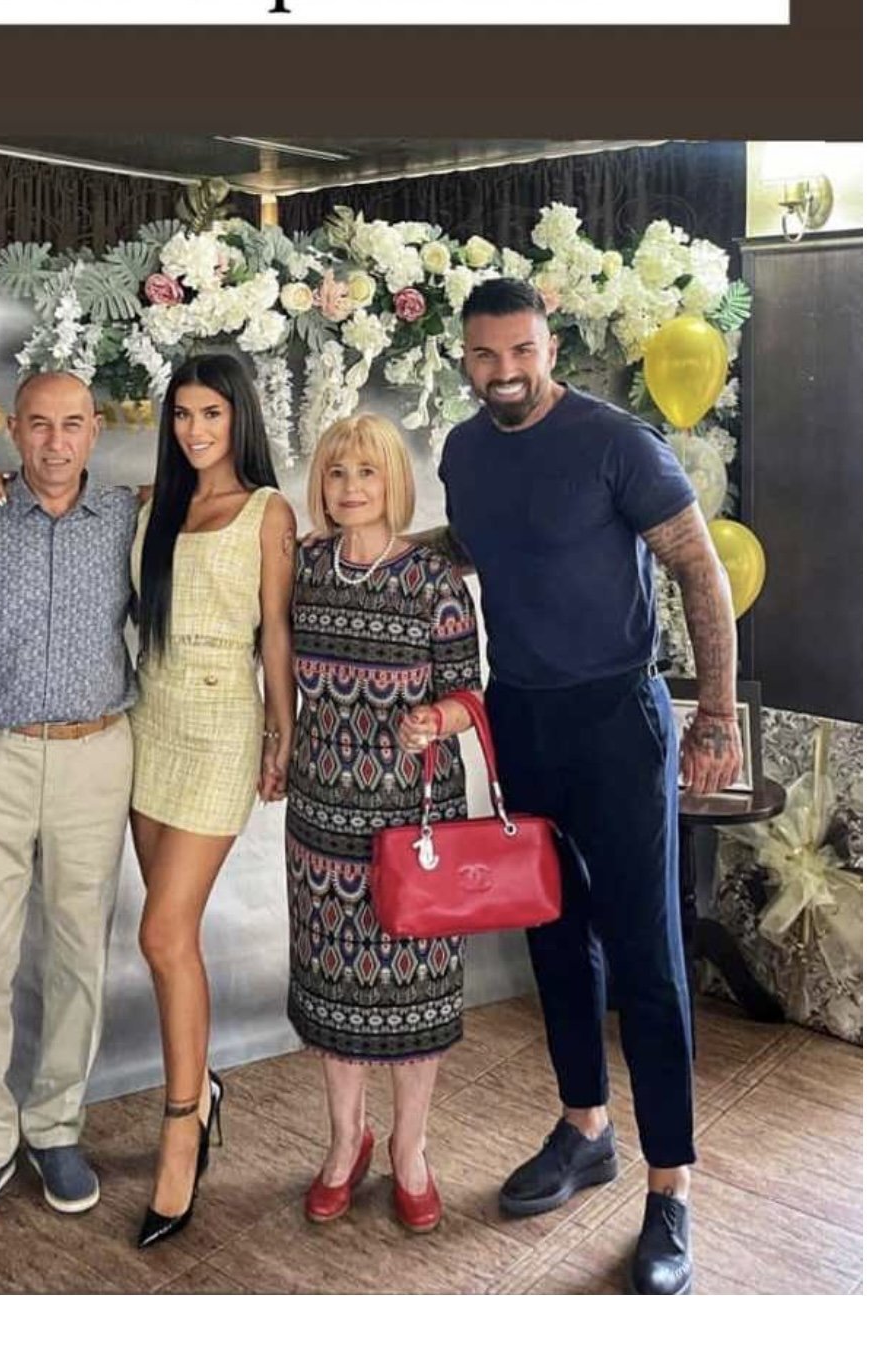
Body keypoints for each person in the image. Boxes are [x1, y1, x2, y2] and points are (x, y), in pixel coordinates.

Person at [436, 277, 743, 1294]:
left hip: (618, 719)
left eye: (521, 352)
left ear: (549, 348)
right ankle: (585, 1128)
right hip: (520, 715)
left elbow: (699, 570)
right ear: (465, 357)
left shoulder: (618, 443)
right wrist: (380, 544)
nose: (504, 372)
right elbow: (478, 547)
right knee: (555, 939)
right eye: (485, 355)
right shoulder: (464, 451)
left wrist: (715, 714)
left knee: (647, 956)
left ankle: (671, 1188)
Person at [0, 353, 296, 1249]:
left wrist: (285, 728)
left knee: (161, 933)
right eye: (183, 415)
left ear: (240, 420)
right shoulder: (148, 507)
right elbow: (57, 497)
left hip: (220, 729)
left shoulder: (268, 512)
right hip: (145, 722)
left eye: (212, 414)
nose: (196, 430)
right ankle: (202, 1089)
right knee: (171, 942)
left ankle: (181, 1126)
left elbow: (276, 631)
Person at [0, 371, 138, 1239]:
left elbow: (211, 498)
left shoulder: (123, 517)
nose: (55, 442)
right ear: (13, 430)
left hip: (94, 758)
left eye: (71, 424)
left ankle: (55, 1126)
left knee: (80, 953)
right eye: (38, 425)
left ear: (94, 431)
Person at [287, 413, 484, 1234]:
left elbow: (471, 694)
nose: (350, 487)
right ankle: (345, 1141)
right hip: (321, 816)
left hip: (415, 817)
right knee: (334, 984)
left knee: (415, 989)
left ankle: (410, 1146)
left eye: (366, 472)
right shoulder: (304, 567)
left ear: (394, 482)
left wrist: (437, 719)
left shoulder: (434, 582)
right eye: (336, 473)